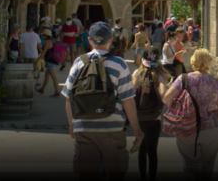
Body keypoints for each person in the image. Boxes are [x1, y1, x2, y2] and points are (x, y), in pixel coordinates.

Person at [63, 23, 143, 180]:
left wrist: (72, 125)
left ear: (89, 40)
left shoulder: (79, 62)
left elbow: (68, 98)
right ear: (110, 40)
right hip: (112, 128)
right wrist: (137, 130)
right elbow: (128, 101)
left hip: (84, 127)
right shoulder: (119, 64)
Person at [163, 49, 218, 178]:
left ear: (193, 61)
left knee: (190, 167)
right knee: (207, 168)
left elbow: (167, 96)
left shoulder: (183, 79)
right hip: (211, 130)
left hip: (187, 127)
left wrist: (175, 113)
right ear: (208, 62)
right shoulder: (215, 82)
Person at [131, 47, 168, 181]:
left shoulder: (137, 73)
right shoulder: (160, 75)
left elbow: (132, 94)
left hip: (139, 118)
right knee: (152, 151)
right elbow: (164, 95)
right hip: (154, 119)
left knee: (142, 150)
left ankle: (142, 177)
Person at [36, 29, 61, 97]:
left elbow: (43, 52)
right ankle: (42, 89)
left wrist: (37, 60)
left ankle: (57, 91)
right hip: (52, 61)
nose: (42, 36)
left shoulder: (47, 42)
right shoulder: (51, 41)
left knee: (54, 77)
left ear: (46, 36)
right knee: (46, 76)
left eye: (43, 35)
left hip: (50, 62)